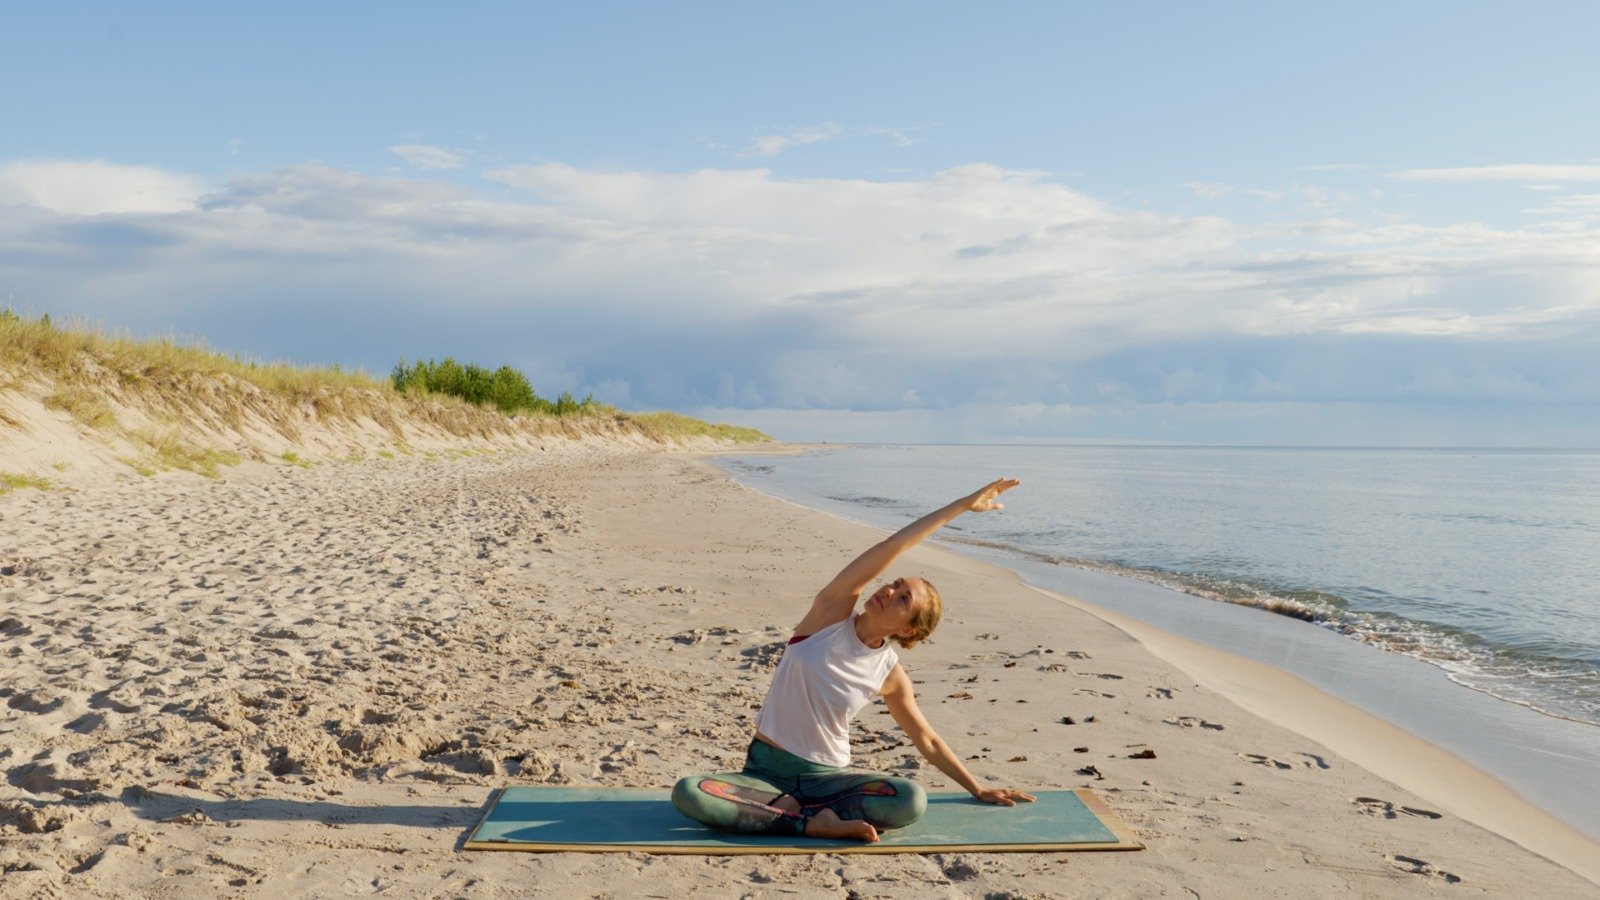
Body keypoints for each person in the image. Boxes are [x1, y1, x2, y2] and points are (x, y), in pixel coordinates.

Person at [671, 478, 1036, 842]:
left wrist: (977, 789)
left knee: (910, 800)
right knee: (690, 792)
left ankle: (796, 815)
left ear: (907, 630)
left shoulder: (888, 673)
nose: (889, 591)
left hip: (830, 782)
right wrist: (962, 505)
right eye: (895, 583)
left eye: (903, 599)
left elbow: (927, 740)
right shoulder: (829, 615)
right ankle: (812, 823)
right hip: (764, 773)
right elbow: (892, 546)